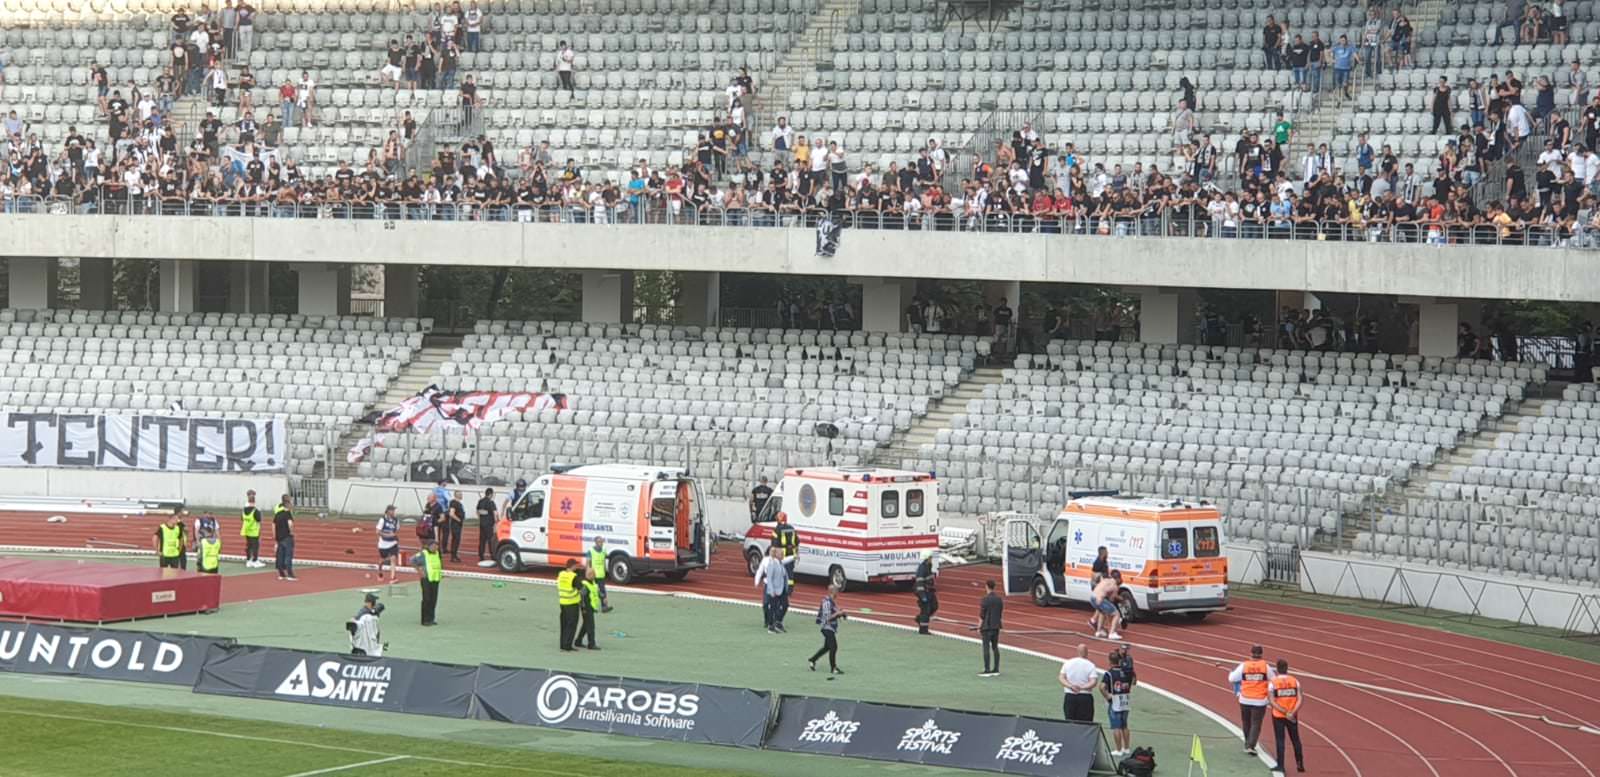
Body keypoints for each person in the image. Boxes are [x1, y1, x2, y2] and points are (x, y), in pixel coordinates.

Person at [1228, 644, 1276, 756]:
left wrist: (1231, 672)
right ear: (1261, 654)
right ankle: (1251, 745)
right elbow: (1274, 681)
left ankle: (1247, 742)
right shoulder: (1266, 667)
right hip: (1259, 700)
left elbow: (1232, 678)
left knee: (1246, 722)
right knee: (1256, 723)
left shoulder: (1244, 666)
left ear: (1251, 653)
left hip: (1245, 699)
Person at [1269, 658, 1306, 774]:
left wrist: (1284, 712)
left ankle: (1281, 765)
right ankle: (1300, 764)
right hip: (1292, 716)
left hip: (1278, 716)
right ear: (1287, 668)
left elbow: (1272, 701)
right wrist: (1292, 712)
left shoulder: (1273, 682)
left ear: (1277, 669)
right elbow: (1300, 698)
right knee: (1296, 739)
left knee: (1280, 741)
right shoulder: (1295, 681)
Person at [1101, 647, 1136, 757]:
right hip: (1125, 700)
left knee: (1116, 726)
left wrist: (1107, 696)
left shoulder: (1109, 674)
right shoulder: (1127, 672)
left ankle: (1118, 749)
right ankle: (1126, 748)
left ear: (1110, 661)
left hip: (1115, 701)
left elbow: (1102, 687)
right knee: (1124, 725)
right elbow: (1134, 682)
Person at [808, 582, 846, 674]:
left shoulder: (832, 602)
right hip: (827, 627)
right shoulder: (827, 602)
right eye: (837, 591)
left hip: (830, 628)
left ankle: (812, 660)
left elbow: (835, 613)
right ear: (833, 591)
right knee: (833, 647)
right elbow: (827, 617)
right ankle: (833, 668)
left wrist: (842, 614)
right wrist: (838, 614)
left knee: (827, 647)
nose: (838, 593)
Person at [1058, 643, 1100, 723]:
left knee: (1070, 722)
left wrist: (1071, 686)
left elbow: (1061, 677)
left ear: (1077, 651)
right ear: (1087, 652)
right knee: (1086, 723)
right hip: (1085, 697)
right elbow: (1093, 682)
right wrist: (1081, 687)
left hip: (1070, 695)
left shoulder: (1068, 663)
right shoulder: (1090, 665)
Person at [755, 545, 790, 633]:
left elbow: (784, 576)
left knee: (785, 605)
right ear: (776, 554)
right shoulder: (772, 564)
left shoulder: (781, 563)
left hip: (782, 589)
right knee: (772, 607)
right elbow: (769, 578)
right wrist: (771, 590)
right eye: (781, 553)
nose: (783, 554)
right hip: (774, 589)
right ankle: (771, 626)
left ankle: (778, 621)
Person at [410, 538, 442, 626]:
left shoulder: (438, 554)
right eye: (434, 545)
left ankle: (431, 618)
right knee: (426, 599)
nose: (436, 547)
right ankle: (425, 620)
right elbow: (412, 560)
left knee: (433, 599)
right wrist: (419, 571)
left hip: (435, 579)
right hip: (426, 579)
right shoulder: (423, 554)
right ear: (429, 546)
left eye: (437, 546)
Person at [771, 511, 799, 609]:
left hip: (781, 555)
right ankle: (790, 590)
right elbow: (797, 541)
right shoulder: (791, 528)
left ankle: (780, 590)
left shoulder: (777, 530)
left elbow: (774, 544)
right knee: (790, 573)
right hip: (791, 554)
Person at [978, 579, 1003, 676]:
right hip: (996, 626)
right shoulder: (999, 599)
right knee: (995, 647)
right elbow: (1000, 612)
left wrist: (979, 626)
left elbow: (982, 614)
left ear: (987, 586)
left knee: (986, 647)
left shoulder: (985, 599)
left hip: (987, 627)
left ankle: (987, 669)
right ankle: (996, 668)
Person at [556, 558, 582, 651]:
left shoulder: (561, 574)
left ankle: (563, 644)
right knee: (572, 625)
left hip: (563, 602)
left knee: (564, 624)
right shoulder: (573, 576)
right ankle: (568, 645)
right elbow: (581, 589)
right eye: (576, 565)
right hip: (572, 603)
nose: (577, 566)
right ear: (573, 566)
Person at [348, 592, 385, 657]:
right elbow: (353, 623)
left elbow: (380, 607)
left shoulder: (371, 612)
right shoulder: (363, 614)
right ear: (370, 602)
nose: (375, 603)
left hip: (369, 646)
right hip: (362, 649)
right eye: (374, 601)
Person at [1089, 572, 1123, 639]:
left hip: (1092, 597)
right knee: (1116, 614)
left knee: (1102, 612)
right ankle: (1112, 633)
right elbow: (1111, 599)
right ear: (1118, 578)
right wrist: (1120, 598)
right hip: (1100, 600)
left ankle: (1099, 631)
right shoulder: (1115, 586)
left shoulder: (1106, 580)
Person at [914, 548, 939, 635]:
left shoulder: (928, 566)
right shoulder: (922, 568)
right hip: (925, 592)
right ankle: (923, 629)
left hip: (930, 592)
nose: (931, 559)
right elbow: (919, 583)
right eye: (930, 557)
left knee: (934, 606)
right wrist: (922, 596)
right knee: (926, 610)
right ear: (927, 558)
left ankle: (920, 618)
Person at [578, 566, 602, 650]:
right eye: (593, 574)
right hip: (587, 608)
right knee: (591, 626)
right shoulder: (585, 585)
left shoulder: (593, 583)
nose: (595, 575)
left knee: (585, 625)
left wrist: (602, 596)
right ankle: (591, 644)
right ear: (590, 575)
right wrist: (584, 608)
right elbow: (582, 598)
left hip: (591, 607)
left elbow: (596, 592)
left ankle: (578, 641)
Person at [586, 536, 613, 612]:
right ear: (596, 542)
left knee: (603, 591)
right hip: (593, 575)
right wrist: (588, 572)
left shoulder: (604, 551)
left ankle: (604, 607)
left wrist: (605, 571)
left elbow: (603, 561)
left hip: (601, 575)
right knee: (593, 591)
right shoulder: (590, 551)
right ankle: (592, 607)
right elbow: (588, 563)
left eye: (602, 542)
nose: (601, 544)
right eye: (599, 542)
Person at [273, 494, 296, 581]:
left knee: (280, 555)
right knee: (288, 555)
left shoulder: (278, 514)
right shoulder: (288, 514)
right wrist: (291, 532)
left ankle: (281, 574)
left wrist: (275, 537)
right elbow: (290, 524)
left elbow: (273, 525)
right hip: (287, 537)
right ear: (288, 503)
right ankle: (290, 574)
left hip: (279, 537)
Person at [376, 505, 401, 583]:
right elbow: (378, 532)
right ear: (388, 511)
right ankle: (380, 571)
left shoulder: (396, 520)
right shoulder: (382, 520)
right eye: (392, 510)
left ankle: (393, 577)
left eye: (394, 510)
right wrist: (387, 535)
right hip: (383, 544)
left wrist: (393, 535)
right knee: (382, 560)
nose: (394, 512)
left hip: (393, 543)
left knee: (393, 558)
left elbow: (396, 529)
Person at [240, 490, 264, 568]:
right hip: (254, 531)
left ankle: (248, 560)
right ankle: (255, 561)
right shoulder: (255, 511)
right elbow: (259, 520)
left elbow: (242, 519)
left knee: (249, 546)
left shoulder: (243, 510)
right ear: (254, 502)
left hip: (246, 531)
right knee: (255, 546)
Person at [475, 487, 497, 562]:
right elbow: (495, 513)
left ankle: (481, 555)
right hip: (489, 524)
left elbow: (478, 512)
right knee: (491, 540)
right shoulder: (491, 502)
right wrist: (495, 522)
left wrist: (480, 519)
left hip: (482, 523)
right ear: (490, 494)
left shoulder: (480, 501)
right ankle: (493, 556)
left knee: (482, 540)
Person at [445, 490, 466, 562]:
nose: (461, 495)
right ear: (456, 495)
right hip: (455, 524)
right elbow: (451, 513)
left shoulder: (459, 503)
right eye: (460, 494)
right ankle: (453, 556)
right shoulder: (454, 503)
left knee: (456, 540)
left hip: (458, 524)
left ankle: (454, 555)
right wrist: (458, 520)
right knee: (456, 540)